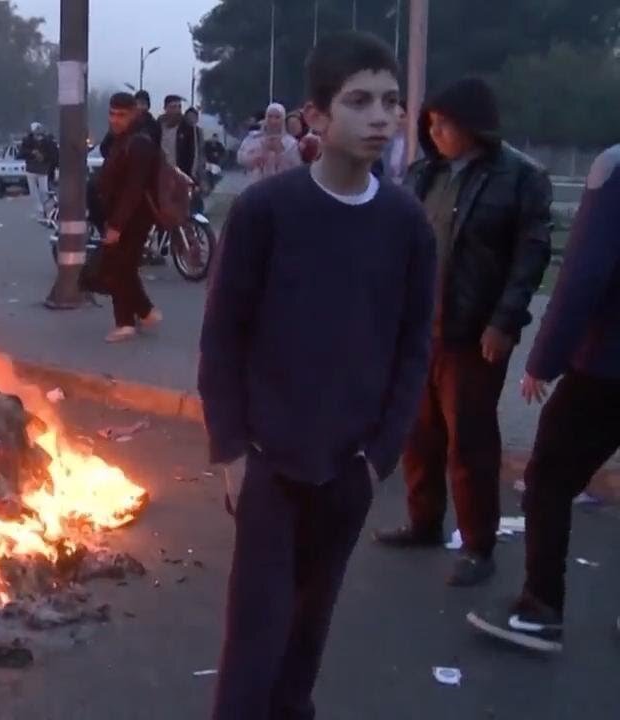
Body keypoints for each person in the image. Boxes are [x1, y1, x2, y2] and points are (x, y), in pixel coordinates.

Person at [199, 32, 434, 719]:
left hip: (349, 470)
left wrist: (379, 457)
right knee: (255, 640)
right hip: (269, 465)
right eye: (359, 101)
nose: (381, 117)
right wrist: (232, 452)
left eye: (391, 102)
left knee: (309, 634)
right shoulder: (267, 212)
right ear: (316, 117)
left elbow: (414, 345)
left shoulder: (407, 225)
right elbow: (223, 336)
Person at [373, 77, 554, 587]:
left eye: (444, 123)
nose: (436, 131)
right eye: (431, 124)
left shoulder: (518, 177)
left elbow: (530, 257)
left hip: (473, 332)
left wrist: (504, 322)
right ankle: (424, 522)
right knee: (419, 432)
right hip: (417, 328)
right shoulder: (424, 172)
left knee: (469, 441)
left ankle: (478, 545)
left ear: (474, 125)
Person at [465, 144, 620, 653]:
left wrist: (544, 359)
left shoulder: (614, 168)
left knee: (550, 477)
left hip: (607, 366)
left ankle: (540, 608)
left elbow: (585, 273)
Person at [96, 92, 162, 344]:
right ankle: (143, 313)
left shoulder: (140, 143)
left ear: (134, 113)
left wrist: (116, 225)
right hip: (120, 214)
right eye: (112, 114)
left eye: (121, 115)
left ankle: (127, 321)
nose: (115, 120)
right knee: (123, 267)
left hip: (134, 217)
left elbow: (133, 189)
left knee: (119, 268)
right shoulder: (120, 139)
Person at [236, 102, 303, 184]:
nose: (273, 121)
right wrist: (260, 153)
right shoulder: (253, 138)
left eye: (277, 117)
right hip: (255, 185)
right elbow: (241, 159)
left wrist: (280, 151)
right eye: (270, 116)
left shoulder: (290, 142)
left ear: (283, 119)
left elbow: (296, 167)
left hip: (281, 186)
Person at [18, 122, 57, 222]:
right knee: (34, 193)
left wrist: (44, 157)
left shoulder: (48, 141)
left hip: (43, 169)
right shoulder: (27, 141)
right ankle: (39, 211)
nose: (37, 134)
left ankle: (47, 211)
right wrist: (32, 153)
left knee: (44, 192)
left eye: (39, 131)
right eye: (35, 131)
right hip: (31, 169)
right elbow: (21, 153)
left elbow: (54, 155)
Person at [160, 95, 201, 183]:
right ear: (165, 108)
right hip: (162, 176)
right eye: (173, 107)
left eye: (179, 107)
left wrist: (191, 176)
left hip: (181, 177)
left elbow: (194, 154)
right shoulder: (158, 127)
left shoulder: (188, 129)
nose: (177, 110)